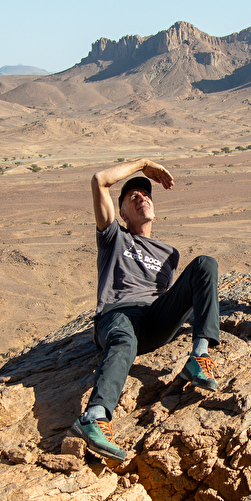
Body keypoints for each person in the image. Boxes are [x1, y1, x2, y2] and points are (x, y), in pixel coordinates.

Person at [71, 158, 220, 462]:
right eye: (133, 197)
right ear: (121, 212)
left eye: (146, 195)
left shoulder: (170, 254)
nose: (142, 198)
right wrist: (142, 164)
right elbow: (99, 179)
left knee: (205, 264)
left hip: (154, 320)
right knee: (124, 342)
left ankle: (199, 356)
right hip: (118, 315)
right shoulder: (113, 237)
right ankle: (95, 417)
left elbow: (168, 296)